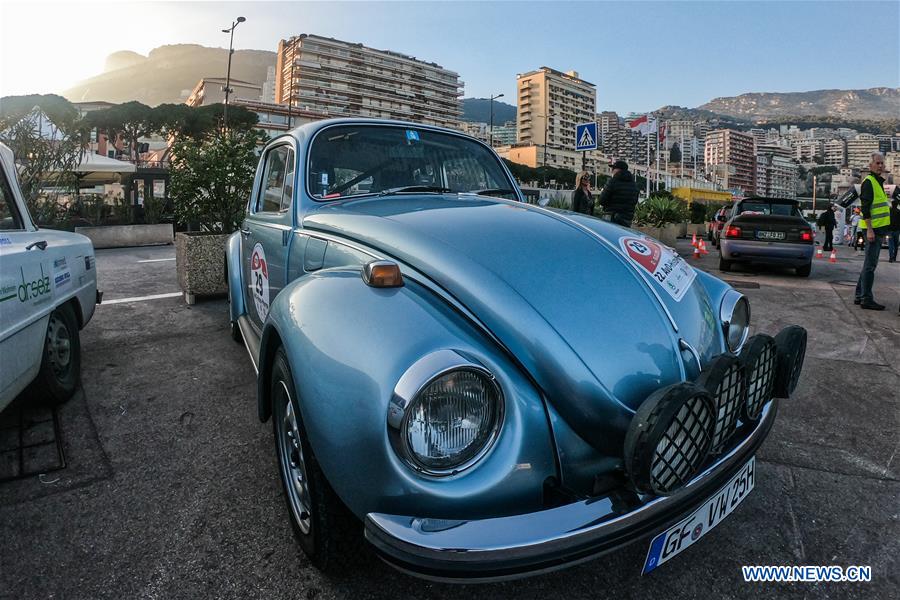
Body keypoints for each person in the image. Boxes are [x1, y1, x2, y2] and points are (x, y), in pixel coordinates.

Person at [854, 153, 892, 310]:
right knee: (870, 265)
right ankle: (866, 299)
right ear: (870, 165)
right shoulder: (869, 182)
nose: (880, 166)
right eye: (877, 163)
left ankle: (859, 295)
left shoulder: (878, 182)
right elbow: (866, 208)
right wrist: (869, 230)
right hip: (873, 230)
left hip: (878, 229)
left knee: (868, 265)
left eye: (882, 163)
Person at [598, 160, 639, 227]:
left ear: (618, 170)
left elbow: (601, 200)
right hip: (627, 219)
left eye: (613, 168)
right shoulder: (634, 185)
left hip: (612, 218)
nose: (612, 170)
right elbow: (635, 201)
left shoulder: (612, 182)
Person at [887, 187, 900, 263]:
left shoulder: (889, 211)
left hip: (889, 231)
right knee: (896, 245)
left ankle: (890, 258)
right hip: (897, 231)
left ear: (891, 204)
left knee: (890, 244)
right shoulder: (899, 212)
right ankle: (894, 257)